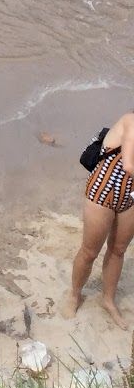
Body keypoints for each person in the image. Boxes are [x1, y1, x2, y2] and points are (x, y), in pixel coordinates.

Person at [65, 111, 134, 324]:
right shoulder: (130, 121)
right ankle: (74, 295)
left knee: (118, 250)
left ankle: (108, 300)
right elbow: (129, 165)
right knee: (89, 251)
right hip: (101, 193)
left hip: (130, 198)